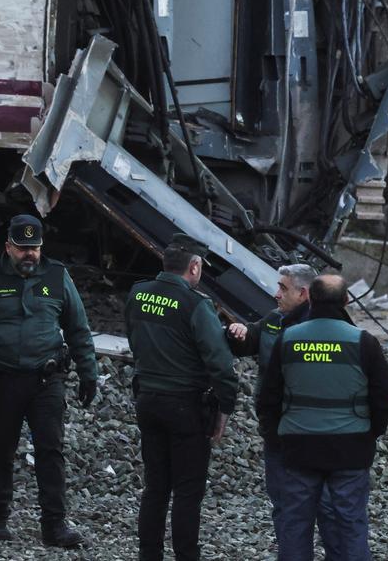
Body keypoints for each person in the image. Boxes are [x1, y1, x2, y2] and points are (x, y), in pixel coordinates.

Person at [0, 214, 98, 548]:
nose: (29, 255)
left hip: (45, 381)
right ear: (8, 247)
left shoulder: (58, 276)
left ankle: (55, 526)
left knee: (51, 450)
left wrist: (89, 373)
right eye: (22, 248)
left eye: (34, 248)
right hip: (1, 380)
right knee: (1, 449)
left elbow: (78, 328)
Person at [258, 274, 388, 561]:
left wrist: (277, 437)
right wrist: (370, 434)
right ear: (346, 301)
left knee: (295, 525)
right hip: (350, 449)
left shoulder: (289, 339)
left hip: (298, 448)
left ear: (311, 298)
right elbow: (384, 396)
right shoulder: (363, 341)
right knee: (351, 526)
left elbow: (268, 398)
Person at [125, 233, 239, 561]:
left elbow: (134, 339)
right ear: (194, 267)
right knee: (187, 492)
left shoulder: (138, 294)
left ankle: (149, 555)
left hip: (147, 399)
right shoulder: (195, 304)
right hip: (185, 406)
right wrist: (225, 409)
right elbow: (220, 364)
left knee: (155, 487)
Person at [227, 263, 339, 551]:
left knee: (326, 508)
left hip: (314, 435)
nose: (276, 294)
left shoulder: (325, 327)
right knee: (285, 507)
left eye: (283, 288)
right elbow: (252, 339)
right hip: (277, 433)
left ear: (303, 293)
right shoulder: (275, 319)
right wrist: (238, 333)